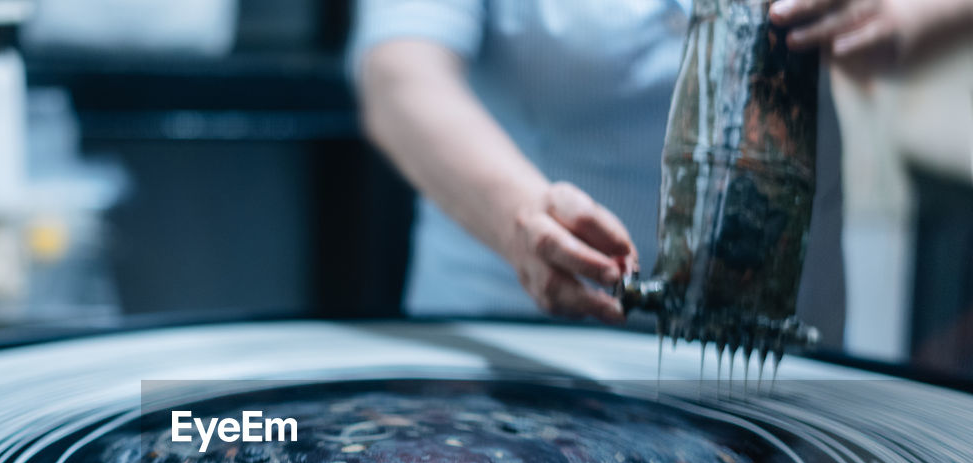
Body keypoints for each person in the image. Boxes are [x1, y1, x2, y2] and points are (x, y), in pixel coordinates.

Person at [351, 0, 973, 347]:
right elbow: (399, 74)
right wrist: (521, 214)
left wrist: (901, 14)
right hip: (519, 335)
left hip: (777, 347)